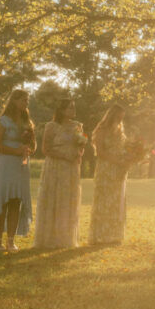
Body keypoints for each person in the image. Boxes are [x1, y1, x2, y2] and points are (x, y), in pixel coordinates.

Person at [0, 89, 35, 252]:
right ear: (14, 101)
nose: (26, 102)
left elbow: (34, 145)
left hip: (21, 166)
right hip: (5, 164)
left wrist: (28, 148)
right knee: (3, 201)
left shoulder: (28, 122)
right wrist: (16, 151)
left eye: (27, 100)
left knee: (16, 201)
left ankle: (10, 241)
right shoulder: (3, 121)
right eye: (23, 99)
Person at [34, 97, 86, 250]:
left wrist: (79, 152)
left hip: (71, 169)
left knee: (68, 200)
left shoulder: (78, 126)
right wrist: (65, 156)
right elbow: (46, 149)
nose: (73, 110)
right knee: (54, 199)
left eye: (74, 107)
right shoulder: (51, 126)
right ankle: (50, 237)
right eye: (70, 107)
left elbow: (82, 144)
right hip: (56, 167)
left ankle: (66, 237)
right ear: (62, 110)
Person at [88, 104, 134, 245]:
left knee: (116, 201)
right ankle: (100, 235)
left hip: (119, 169)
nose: (121, 119)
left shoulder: (121, 131)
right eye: (119, 115)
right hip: (106, 168)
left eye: (122, 116)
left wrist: (130, 158)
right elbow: (100, 152)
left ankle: (114, 235)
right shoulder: (102, 130)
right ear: (112, 115)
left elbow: (125, 148)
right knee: (104, 201)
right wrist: (116, 161)